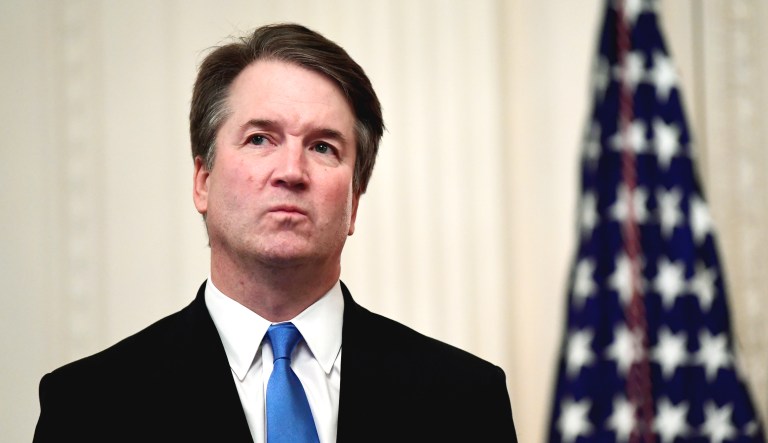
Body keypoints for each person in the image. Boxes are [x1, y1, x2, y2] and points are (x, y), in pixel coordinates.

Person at [33, 23, 517, 442]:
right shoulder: (88, 405)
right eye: (260, 139)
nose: (291, 171)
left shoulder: (465, 399)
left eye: (323, 147)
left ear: (354, 202)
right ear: (203, 181)